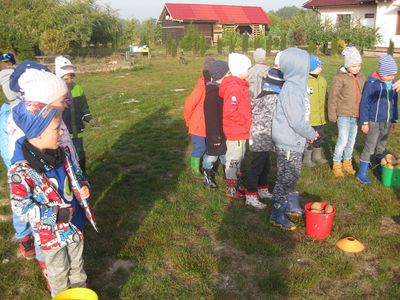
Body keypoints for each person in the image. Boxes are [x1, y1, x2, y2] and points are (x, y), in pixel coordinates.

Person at [9, 98, 96, 297]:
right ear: (38, 133)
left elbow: (77, 174)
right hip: (51, 235)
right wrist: (56, 215)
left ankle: (80, 291)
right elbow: (20, 207)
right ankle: (61, 294)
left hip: (75, 224)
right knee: (58, 271)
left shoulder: (62, 153)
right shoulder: (21, 171)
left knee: (77, 264)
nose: (63, 132)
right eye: (57, 128)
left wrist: (83, 186)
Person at [270, 48, 319, 231]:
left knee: (292, 174)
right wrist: (311, 133)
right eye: (306, 64)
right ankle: (277, 213)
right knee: (286, 177)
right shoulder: (292, 90)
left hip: (293, 141)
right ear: (298, 68)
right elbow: (296, 121)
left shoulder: (297, 86)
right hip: (288, 142)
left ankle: (290, 206)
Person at [246, 68, 284, 209]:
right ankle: (250, 194)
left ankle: (262, 189)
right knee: (257, 167)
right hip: (261, 138)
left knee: (265, 166)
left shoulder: (264, 94)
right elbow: (278, 116)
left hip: (263, 137)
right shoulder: (272, 98)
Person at [357, 54, 398, 183]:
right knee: (370, 146)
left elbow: (394, 102)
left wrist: (394, 118)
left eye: (394, 75)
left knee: (382, 145)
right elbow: (364, 103)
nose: (392, 77)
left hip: (387, 121)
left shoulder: (393, 85)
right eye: (389, 74)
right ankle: (361, 173)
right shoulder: (371, 84)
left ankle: (378, 165)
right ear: (381, 72)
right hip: (373, 121)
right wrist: (364, 122)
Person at [55, 56, 96, 175]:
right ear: (59, 78)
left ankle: (82, 175)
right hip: (63, 133)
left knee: (80, 154)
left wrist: (89, 118)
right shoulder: (57, 93)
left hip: (78, 131)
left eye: (71, 77)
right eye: (66, 78)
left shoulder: (78, 89)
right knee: (65, 156)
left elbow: (84, 107)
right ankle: (69, 177)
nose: (70, 81)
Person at [328, 46, 365, 177]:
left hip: (356, 115)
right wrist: (332, 114)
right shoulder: (339, 78)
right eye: (354, 66)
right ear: (347, 64)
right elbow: (333, 97)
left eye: (359, 65)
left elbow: (365, 96)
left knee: (351, 141)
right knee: (342, 140)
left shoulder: (361, 77)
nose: (357, 68)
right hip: (343, 114)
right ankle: (337, 163)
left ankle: (347, 162)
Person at [219, 53, 252, 199]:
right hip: (236, 130)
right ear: (239, 70)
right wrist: (244, 121)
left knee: (240, 157)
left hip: (242, 130)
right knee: (234, 159)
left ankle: (237, 182)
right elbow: (230, 111)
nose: (249, 72)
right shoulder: (234, 88)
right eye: (247, 69)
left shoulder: (240, 85)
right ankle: (231, 187)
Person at [183, 58, 215, 179]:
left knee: (209, 146)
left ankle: (206, 166)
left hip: (209, 126)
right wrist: (188, 121)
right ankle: (195, 168)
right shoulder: (201, 87)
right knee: (201, 146)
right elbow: (189, 105)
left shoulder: (215, 85)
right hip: (198, 126)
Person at [202, 60, 229, 190]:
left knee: (225, 155)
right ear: (221, 76)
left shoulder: (221, 90)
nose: (230, 75)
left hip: (223, 132)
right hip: (215, 134)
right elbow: (211, 119)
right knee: (212, 156)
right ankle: (207, 175)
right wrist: (215, 137)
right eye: (228, 73)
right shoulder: (212, 95)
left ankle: (229, 175)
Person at [303, 55, 328, 167]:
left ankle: (317, 156)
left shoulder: (322, 80)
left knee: (320, 136)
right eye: (318, 67)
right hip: (309, 118)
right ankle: (306, 158)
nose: (321, 69)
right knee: (309, 138)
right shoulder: (304, 81)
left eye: (321, 66)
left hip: (320, 117)